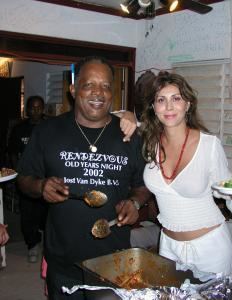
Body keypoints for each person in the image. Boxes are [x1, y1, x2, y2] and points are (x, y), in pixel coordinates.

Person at [16, 56, 151, 300]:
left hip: (114, 259)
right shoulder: (47, 132)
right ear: (73, 89)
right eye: (89, 84)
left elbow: (142, 186)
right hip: (63, 258)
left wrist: (135, 203)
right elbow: (24, 178)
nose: (98, 93)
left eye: (106, 86)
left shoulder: (129, 136)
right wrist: (41, 185)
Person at [140, 71, 232, 280]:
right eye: (161, 100)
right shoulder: (151, 143)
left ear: (187, 104)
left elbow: (225, 188)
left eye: (176, 98)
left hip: (210, 248)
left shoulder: (209, 145)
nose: (169, 107)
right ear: (154, 107)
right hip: (168, 247)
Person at [7, 95, 48, 263]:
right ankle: (32, 244)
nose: (35, 111)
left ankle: (47, 244)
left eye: (39, 107)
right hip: (27, 177)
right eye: (32, 107)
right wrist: (19, 172)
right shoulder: (20, 129)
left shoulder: (50, 126)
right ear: (27, 109)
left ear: (43, 109)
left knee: (47, 213)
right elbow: (12, 152)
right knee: (27, 214)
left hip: (47, 176)